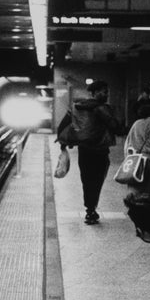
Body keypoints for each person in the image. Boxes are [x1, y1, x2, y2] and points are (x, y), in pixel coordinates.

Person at [56, 80, 125, 225]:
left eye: (107, 92)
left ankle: (89, 208)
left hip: (84, 150)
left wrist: (64, 142)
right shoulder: (101, 109)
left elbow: (63, 125)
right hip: (100, 151)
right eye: (104, 91)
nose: (106, 94)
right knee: (97, 181)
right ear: (95, 93)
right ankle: (91, 210)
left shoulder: (77, 107)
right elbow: (115, 127)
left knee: (86, 181)